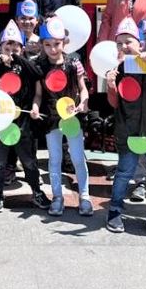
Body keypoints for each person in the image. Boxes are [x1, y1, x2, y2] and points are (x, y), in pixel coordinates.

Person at [104, 17, 146, 233]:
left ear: (139, 42)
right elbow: (114, 103)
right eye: (120, 43)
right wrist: (111, 85)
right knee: (124, 172)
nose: (125, 46)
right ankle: (114, 210)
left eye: (129, 42)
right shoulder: (119, 68)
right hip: (128, 131)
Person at [0, 20, 50, 212]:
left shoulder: (26, 64)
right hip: (0, 122)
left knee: (28, 160)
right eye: (7, 45)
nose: (11, 49)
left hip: (23, 123)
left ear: (22, 47)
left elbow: (37, 73)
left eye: (16, 45)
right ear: (1, 46)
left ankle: (36, 191)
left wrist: (18, 59)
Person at [30, 15, 92, 217]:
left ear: (64, 42)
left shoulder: (74, 64)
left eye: (56, 44)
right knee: (54, 158)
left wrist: (83, 102)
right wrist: (35, 107)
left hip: (72, 118)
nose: (52, 49)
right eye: (47, 45)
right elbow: (38, 94)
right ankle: (57, 197)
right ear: (42, 45)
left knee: (77, 157)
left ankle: (84, 196)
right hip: (51, 118)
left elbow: (83, 89)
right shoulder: (39, 66)